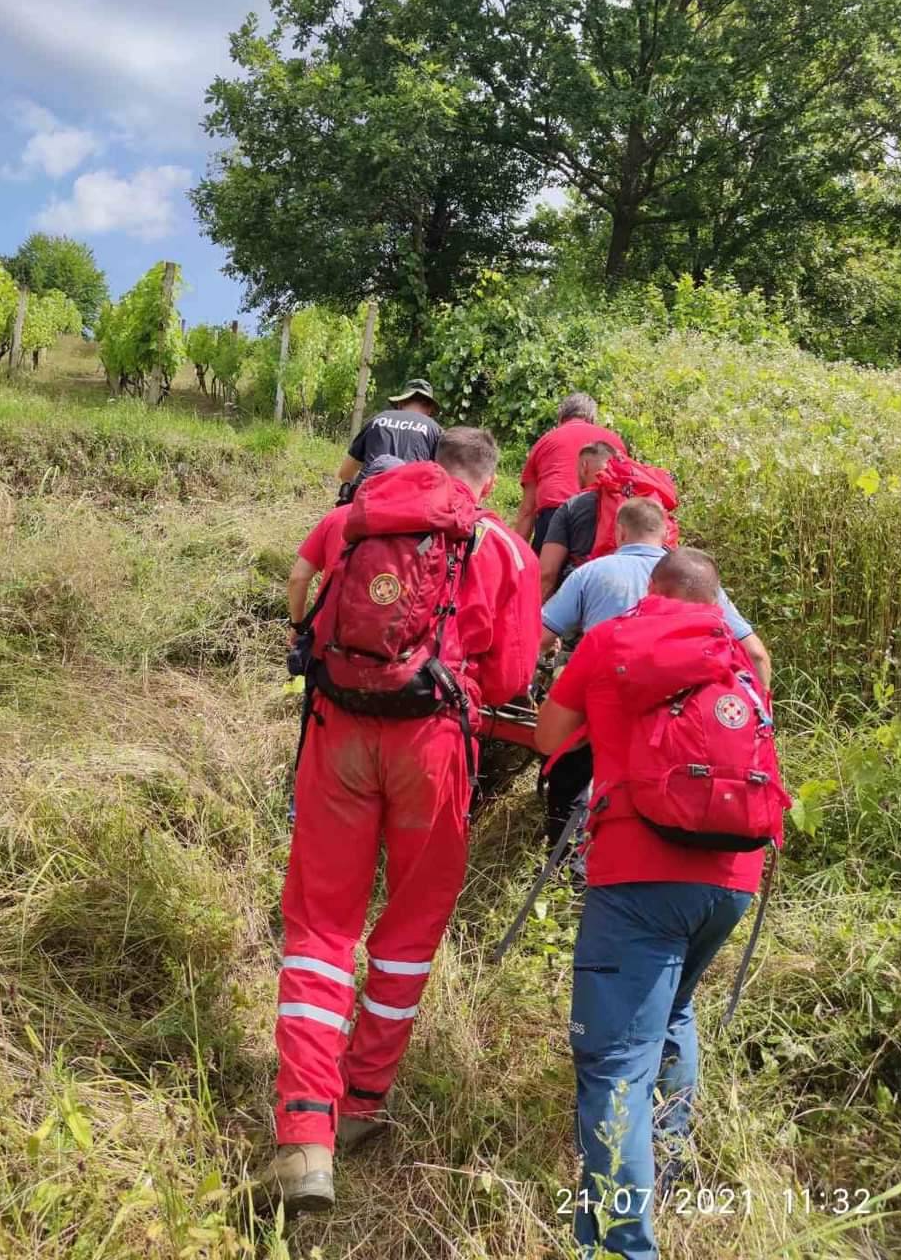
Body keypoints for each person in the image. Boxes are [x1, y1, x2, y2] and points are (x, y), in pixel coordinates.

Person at [262, 428, 540, 1217]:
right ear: (485, 482)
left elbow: (311, 616)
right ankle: (361, 1103)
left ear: (426, 464)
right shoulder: (502, 547)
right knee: (410, 929)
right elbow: (515, 675)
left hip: (338, 733)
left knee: (319, 926)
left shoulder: (359, 515)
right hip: (435, 747)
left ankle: (305, 1134)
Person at [536, 548, 777, 1260]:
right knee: (674, 1012)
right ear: (714, 600)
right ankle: (665, 1164)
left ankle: (618, 1245)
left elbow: (549, 735)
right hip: (734, 877)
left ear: (652, 589)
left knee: (614, 1063)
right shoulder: (733, 652)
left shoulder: (615, 641)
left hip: (639, 878)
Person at [541, 497, 771, 687]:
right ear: (664, 535)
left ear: (620, 533)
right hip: (677, 712)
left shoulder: (589, 573)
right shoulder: (694, 576)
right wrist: (761, 716)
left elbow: (541, 637)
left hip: (606, 708)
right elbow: (756, 654)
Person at [287, 456, 406, 645]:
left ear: (364, 483)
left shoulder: (337, 517)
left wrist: (297, 625)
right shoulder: (414, 530)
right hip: (385, 645)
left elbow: (298, 578)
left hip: (327, 637)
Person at [515, 393, 627, 552]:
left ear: (561, 418)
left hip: (553, 513)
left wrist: (515, 556)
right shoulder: (614, 441)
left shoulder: (545, 441)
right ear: (592, 418)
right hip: (599, 516)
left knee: (545, 574)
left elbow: (528, 510)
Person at [337, 378, 442, 499]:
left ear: (400, 403)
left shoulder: (378, 420)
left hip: (367, 500)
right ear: (429, 409)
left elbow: (345, 473)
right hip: (409, 504)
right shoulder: (435, 430)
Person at [538, 441, 619, 598]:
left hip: (581, 597)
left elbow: (547, 573)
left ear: (584, 466)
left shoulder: (572, 506)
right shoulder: (636, 502)